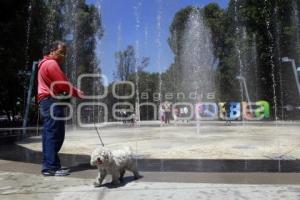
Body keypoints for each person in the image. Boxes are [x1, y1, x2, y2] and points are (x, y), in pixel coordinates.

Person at [38, 41, 84, 176]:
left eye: (65, 53)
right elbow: (63, 84)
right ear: (52, 51)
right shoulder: (51, 64)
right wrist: (77, 93)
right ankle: (51, 167)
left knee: (49, 134)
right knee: (56, 134)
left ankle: (49, 166)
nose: (64, 56)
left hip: (46, 102)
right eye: (61, 52)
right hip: (52, 102)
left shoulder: (43, 64)